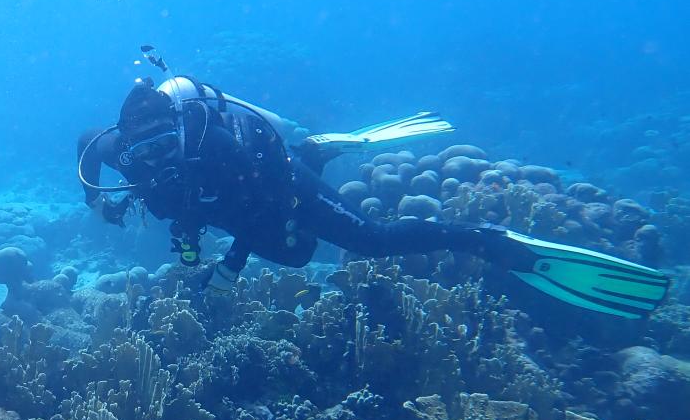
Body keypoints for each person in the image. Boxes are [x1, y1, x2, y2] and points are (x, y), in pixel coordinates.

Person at [78, 72, 670, 320]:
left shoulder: (217, 148)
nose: (153, 161)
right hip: (242, 206)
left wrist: (231, 264)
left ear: (177, 133)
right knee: (292, 252)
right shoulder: (128, 160)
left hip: (275, 186)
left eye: (161, 146)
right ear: (123, 147)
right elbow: (88, 153)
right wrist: (98, 204)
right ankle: (319, 147)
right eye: (140, 153)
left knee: (367, 241)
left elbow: (266, 204)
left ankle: (492, 242)